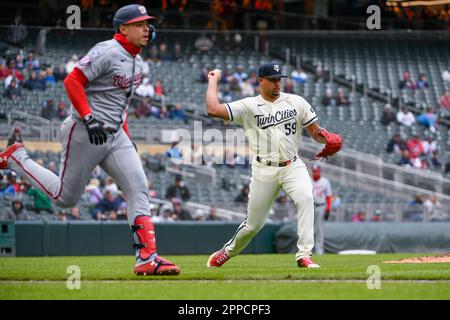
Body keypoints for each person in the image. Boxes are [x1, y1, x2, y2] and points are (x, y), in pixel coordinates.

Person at [0, 4, 179, 276]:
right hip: (85, 130)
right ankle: (16, 158)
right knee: (64, 199)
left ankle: (147, 257)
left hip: (115, 134)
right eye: (140, 23)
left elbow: (120, 104)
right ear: (123, 28)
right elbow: (72, 81)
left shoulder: (138, 61)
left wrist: (126, 136)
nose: (146, 28)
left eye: (147, 24)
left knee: (138, 186)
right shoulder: (106, 50)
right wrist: (88, 116)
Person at [205, 63, 342, 269]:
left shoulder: (296, 102)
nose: (277, 83)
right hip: (263, 169)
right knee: (254, 225)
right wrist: (213, 80)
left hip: (292, 165)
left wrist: (326, 137)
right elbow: (212, 109)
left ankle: (304, 255)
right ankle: (227, 252)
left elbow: (314, 131)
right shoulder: (248, 106)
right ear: (260, 81)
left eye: (279, 79)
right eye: (272, 79)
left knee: (306, 198)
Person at [311, 165, 332, 255]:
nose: (315, 173)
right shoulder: (308, 180)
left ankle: (319, 251)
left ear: (320, 171)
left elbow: (328, 196)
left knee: (320, 229)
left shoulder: (325, 181)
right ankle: (308, 251)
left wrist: (328, 209)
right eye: (314, 171)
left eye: (317, 171)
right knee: (309, 229)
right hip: (310, 206)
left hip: (321, 207)